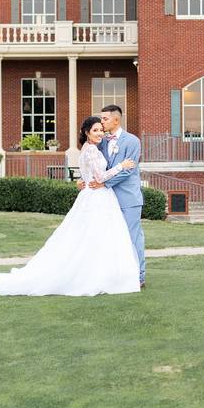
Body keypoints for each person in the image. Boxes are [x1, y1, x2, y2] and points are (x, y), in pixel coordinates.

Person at [0, 116, 140, 296]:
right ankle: (94, 276)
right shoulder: (91, 150)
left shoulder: (89, 148)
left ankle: (99, 274)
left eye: (101, 129)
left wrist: (83, 181)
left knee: (91, 237)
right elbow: (100, 177)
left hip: (93, 196)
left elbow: (87, 175)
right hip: (97, 197)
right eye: (95, 130)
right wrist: (121, 166)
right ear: (86, 132)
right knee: (95, 237)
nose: (100, 133)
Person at [79, 105, 146, 288]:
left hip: (128, 199)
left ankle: (139, 276)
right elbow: (94, 166)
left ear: (116, 120)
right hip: (106, 200)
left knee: (132, 238)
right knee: (111, 239)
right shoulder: (100, 141)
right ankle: (116, 275)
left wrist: (104, 183)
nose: (101, 122)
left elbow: (128, 170)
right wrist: (84, 179)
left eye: (105, 119)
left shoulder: (132, 141)